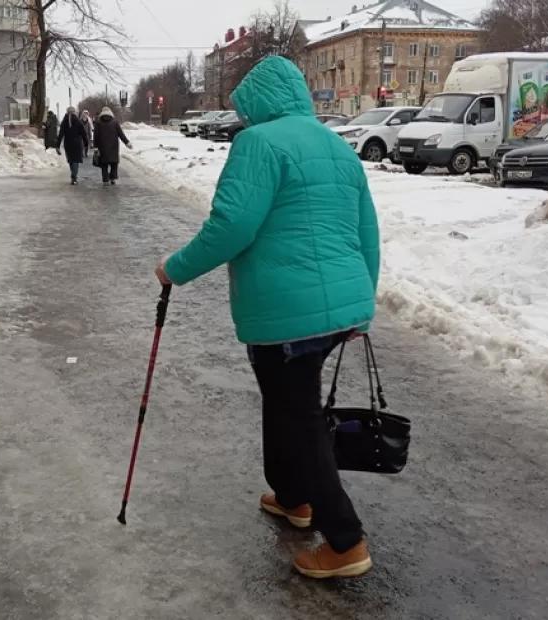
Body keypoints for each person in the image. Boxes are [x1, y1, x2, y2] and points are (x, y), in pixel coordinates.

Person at [154, 56, 380, 579]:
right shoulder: (335, 146)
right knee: (288, 406)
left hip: (286, 312)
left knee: (298, 419)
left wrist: (175, 269)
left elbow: (232, 226)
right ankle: (293, 497)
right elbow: (367, 229)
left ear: (255, 102)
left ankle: (345, 541)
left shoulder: (257, 144)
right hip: (336, 308)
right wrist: (363, 301)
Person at [93, 107, 131, 185]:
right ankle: (113, 178)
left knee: (104, 164)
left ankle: (105, 180)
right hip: (114, 147)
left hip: (102, 147)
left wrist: (96, 147)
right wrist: (127, 142)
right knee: (114, 163)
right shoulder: (115, 122)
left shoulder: (98, 123)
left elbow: (96, 136)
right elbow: (121, 134)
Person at [57, 106, 88, 185]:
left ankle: (73, 176)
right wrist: (86, 143)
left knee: (71, 160)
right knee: (75, 161)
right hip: (77, 144)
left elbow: (60, 134)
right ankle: (74, 177)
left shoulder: (64, 121)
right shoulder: (78, 121)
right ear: (74, 112)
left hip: (68, 144)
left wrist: (58, 145)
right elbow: (83, 133)